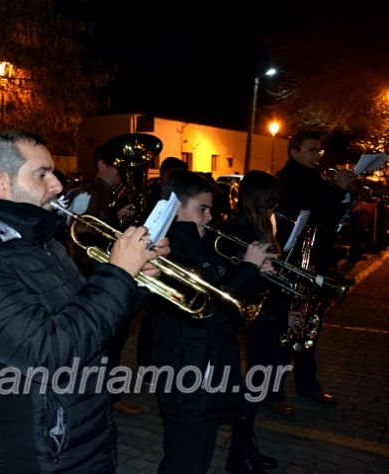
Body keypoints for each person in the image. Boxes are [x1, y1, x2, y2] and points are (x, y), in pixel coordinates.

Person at [0, 128, 168, 473]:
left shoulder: (42, 243)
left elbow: (88, 322)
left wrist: (137, 278)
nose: (57, 185)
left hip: (81, 433)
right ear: (1, 184)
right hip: (38, 452)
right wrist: (117, 274)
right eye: (42, 174)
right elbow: (51, 352)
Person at [141, 170, 276, 474]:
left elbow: (227, 293)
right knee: (183, 458)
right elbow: (206, 307)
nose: (210, 216)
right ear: (176, 209)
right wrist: (247, 269)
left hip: (210, 363)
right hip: (186, 366)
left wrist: (255, 274)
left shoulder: (202, 242)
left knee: (199, 455)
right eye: (202, 209)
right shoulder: (167, 248)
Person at [64, 134, 153, 416]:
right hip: (93, 276)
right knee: (108, 342)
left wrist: (118, 220)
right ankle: (107, 398)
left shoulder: (107, 195)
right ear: (101, 165)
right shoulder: (89, 193)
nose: (122, 174)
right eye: (117, 168)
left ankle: (109, 395)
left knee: (114, 340)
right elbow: (81, 237)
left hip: (104, 273)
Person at [275, 130, 354, 406]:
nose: (318, 156)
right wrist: (338, 190)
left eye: (319, 150)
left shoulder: (313, 178)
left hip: (315, 260)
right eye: (312, 150)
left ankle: (306, 383)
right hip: (296, 263)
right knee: (290, 328)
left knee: (310, 326)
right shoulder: (289, 180)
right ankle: (274, 391)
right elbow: (316, 212)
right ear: (294, 152)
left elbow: (332, 218)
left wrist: (342, 193)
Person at [219, 171, 289, 473]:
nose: (274, 208)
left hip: (266, 314)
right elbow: (233, 280)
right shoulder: (237, 228)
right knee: (251, 389)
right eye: (270, 202)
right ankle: (239, 455)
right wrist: (259, 269)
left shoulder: (259, 226)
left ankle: (246, 446)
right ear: (257, 200)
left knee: (258, 387)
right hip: (250, 316)